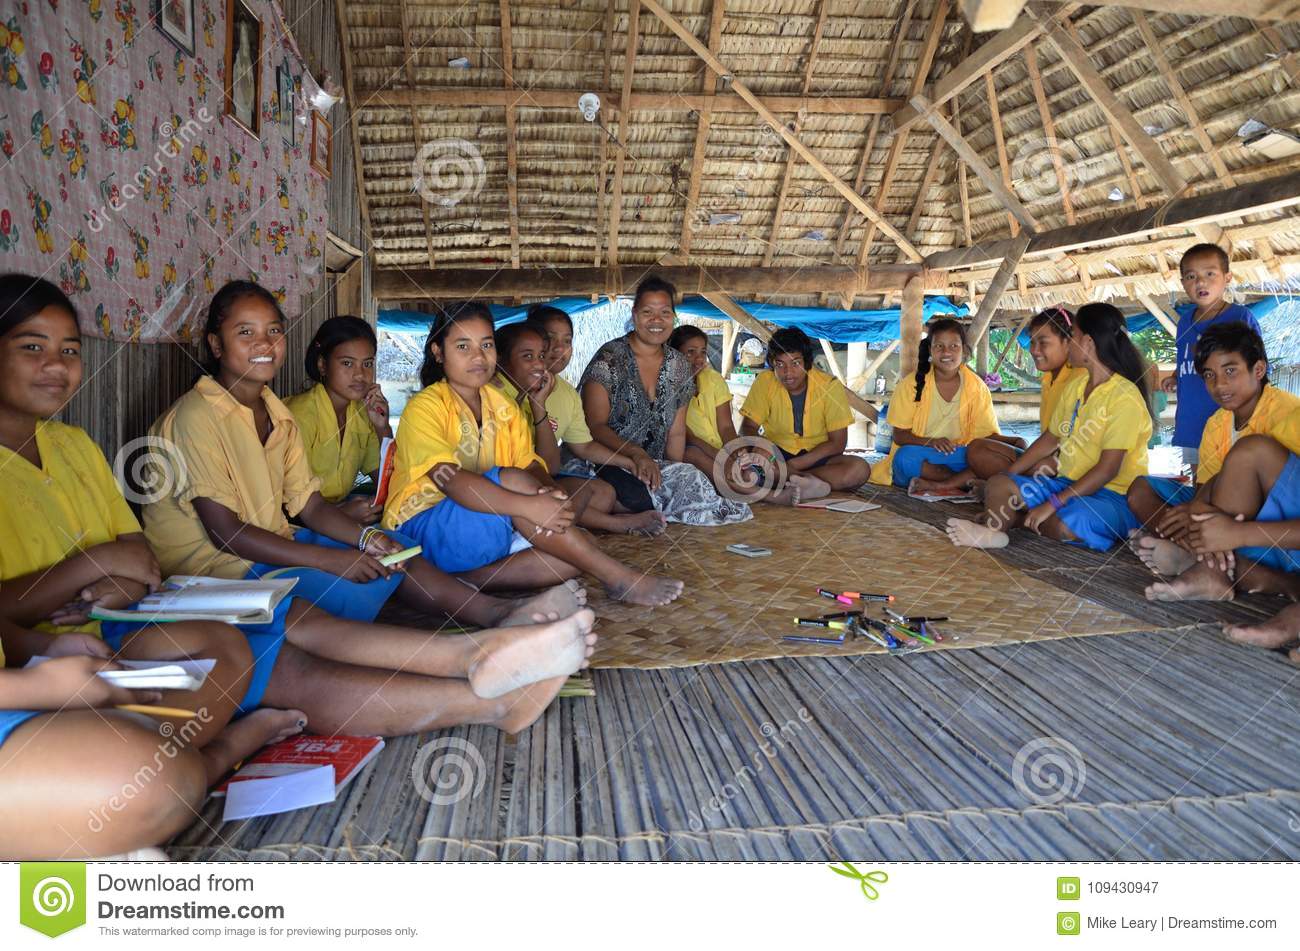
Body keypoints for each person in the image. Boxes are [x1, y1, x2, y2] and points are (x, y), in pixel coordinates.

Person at [134, 279, 597, 736]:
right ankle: (482, 661)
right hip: (217, 571)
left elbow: (311, 505)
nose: (264, 344)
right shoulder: (199, 416)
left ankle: (495, 619)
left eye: (274, 331)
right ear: (215, 343)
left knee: (392, 550)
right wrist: (335, 556)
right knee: (307, 624)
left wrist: (363, 539)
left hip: (268, 550)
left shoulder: (276, 414)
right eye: (245, 332)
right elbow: (226, 534)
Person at [385, 301, 685, 606]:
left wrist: (548, 495)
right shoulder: (426, 406)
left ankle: (459, 582)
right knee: (518, 486)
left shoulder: (502, 407)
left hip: (482, 526)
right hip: (421, 532)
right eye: (463, 346)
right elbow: (450, 480)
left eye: (485, 345)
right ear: (438, 352)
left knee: (576, 552)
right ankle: (618, 578)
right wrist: (529, 506)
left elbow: (532, 465)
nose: (478, 356)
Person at [946, 303, 1153, 552]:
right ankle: (994, 532)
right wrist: (1008, 475)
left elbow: (1107, 470)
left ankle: (1012, 521)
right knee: (1000, 485)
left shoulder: (1124, 396)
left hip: (1112, 496)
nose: (1069, 340)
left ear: (1087, 342)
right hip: (1067, 484)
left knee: (1071, 521)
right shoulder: (1078, 388)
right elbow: (1050, 438)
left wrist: (1052, 503)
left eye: (1072, 335)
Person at [1128, 323, 1298, 578]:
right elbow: (1207, 487)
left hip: (1274, 520)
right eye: (1209, 375)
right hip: (1228, 514)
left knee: (1249, 452)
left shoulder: (1288, 413)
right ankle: (1198, 551)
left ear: (1259, 369)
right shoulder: (1216, 423)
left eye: (1230, 370)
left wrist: (1199, 510)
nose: (1220, 384)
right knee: (1141, 490)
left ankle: (1203, 562)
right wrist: (1195, 509)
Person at [580, 276, 752, 526]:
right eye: (648, 312)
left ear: (673, 316)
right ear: (635, 315)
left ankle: (643, 505)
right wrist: (636, 454)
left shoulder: (679, 366)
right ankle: (632, 509)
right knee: (633, 495)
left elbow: (676, 433)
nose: (656, 320)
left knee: (690, 478)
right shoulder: (609, 359)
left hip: (655, 465)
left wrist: (674, 474)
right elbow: (595, 426)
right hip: (610, 459)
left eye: (664, 312)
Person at [500, 311, 665, 536]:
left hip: (541, 473)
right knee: (556, 493)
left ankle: (559, 528)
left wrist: (630, 462)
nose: (559, 348)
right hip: (511, 480)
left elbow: (583, 446)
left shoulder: (566, 394)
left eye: (567, 341)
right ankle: (610, 525)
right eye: (551, 339)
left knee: (604, 493)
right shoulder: (500, 393)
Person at [918, 308, 1076, 492]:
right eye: (1032, 342)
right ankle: (999, 486)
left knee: (1030, 468)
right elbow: (1050, 438)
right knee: (977, 450)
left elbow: (1060, 444)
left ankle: (1004, 488)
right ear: (930, 350)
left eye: (1043, 342)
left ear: (1068, 342)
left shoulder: (1077, 380)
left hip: (1066, 464)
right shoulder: (1049, 379)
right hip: (1050, 459)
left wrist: (1016, 469)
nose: (1034, 350)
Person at [671, 324, 815, 504]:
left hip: (720, 449)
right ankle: (771, 496)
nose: (698, 359)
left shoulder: (713, 379)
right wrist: (723, 458)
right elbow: (689, 438)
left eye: (702, 352)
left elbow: (726, 428)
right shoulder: (670, 387)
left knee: (757, 453)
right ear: (673, 354)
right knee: (692, 454)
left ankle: (802, 481)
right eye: (690, 352)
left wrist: (737, 453)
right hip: (694, 451)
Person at [1163, 244, 1261, 475]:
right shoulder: (1184, 323)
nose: (1200, 282)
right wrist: (1177, 376)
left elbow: (1257, 369)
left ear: (1227, 277)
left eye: (1210, 274)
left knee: (1234, 480)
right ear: (1183, 282)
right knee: (1200, 482)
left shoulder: (1240, 317)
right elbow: (1186, 359)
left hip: (1229, 420)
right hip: (1191, 420)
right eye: (1191, 276)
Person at [868, 319, 998, 490]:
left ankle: (941, 484)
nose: (946, 352)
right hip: (922, 454)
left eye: (954, 346)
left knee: (987, 459)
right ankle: (961, 484)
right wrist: (931, 442)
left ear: (964, 350)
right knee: (904, 458)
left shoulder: (978, 388)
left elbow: (985, 436)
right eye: (939, 346)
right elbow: (899, 436)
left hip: (958, 456)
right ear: (930, 349)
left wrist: (1015, 444)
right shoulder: (911, 385)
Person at [284, 316, 391, 525]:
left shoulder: (362, 413)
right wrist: (341, 513)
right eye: (347, 363)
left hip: (337, 518)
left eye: (367, 364)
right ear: (323, 365)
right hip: (292, 528)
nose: (360, 375)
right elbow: (280, 505)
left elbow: (388, 484)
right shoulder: (299, 416)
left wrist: (382, 427)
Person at [737, 327, 868, 494]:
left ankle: (789, 480)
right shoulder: (765, 381)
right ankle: (808, 483)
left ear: (807, 363)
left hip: (817, 457)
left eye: (795, 363)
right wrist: (762, 445)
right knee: (747, 465)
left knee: (859, 469)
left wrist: (792, 466)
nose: (788, 372)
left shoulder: (829, 386)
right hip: (775, 456)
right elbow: (747, 428)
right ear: (772, 365)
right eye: (780, 364)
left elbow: (838, 443)